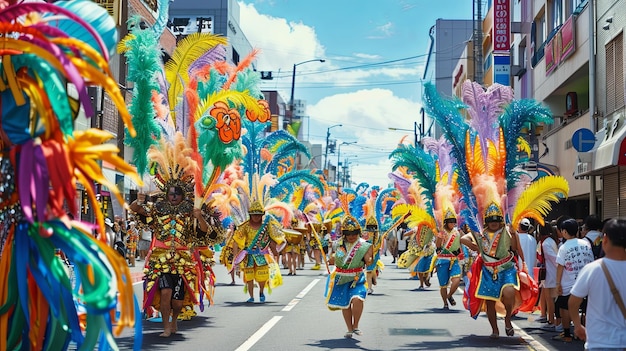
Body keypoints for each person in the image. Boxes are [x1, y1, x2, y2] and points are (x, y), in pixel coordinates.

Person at [130, 179, 224, 337]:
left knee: (178, 302)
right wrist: (139, 200)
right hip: (161, 261)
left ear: (183, 195)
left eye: (177, 193)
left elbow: (205, 230)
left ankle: (174, 321)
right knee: (165, 292)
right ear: (166, 194)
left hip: (183, 262)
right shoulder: (158, 209)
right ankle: (166, 327)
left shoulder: (190, 211)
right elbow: (136, 209)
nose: (174, 196)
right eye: (171, 193)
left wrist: (199, 216)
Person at [461, 202, 523, 339]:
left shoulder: (506, 230)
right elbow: (463, 238)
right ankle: (494, 330)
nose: (493, 223)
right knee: (490, 302)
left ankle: (507, 319)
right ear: (486, 222)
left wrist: (513, 233)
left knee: (509, 291)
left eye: (496, 219)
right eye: (490, 220)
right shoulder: (480, 234)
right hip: (488, 271)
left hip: (506, 269)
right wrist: (474, 246)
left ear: (500, 220)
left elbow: (514, 247)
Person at [569, 218, 626, 349]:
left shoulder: (593, 269)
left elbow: (573, 301)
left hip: (599, 342)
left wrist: (577, 326)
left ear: (605, 239)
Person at [325, 215, 374, 339]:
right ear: (344, 234)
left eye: (354, 233)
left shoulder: (365, 245)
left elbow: (368, 261)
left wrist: (371, 256)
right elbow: (332, 260)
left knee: (358, 299)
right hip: (341, 278)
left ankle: (356, 325)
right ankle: (349, 329)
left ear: (358, 233)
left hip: (357, 278)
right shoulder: (338, 244)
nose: (351, 236)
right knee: (345, 304)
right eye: (348, 233)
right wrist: (330, 259)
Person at [232, 200, 285, 303]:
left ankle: (261, 292)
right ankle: (251, 296)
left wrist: (275, 251)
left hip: (262, 255)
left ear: (262, 215)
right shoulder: (245, 226)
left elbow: (273, 238)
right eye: (254, 215)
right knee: (249, 277)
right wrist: (235, 256)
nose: (256, 217)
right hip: (249, 256)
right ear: (250, 215)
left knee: (262, 277)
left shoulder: (267, 225)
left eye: (258, 215)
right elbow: (236, 240)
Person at [552, 217, 594, 342]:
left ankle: (567, 334)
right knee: (586, 308)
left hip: (568, 283)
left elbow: (560, 267)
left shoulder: (564, 247)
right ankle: (585, 334)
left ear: (564, 232)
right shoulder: (586, 243)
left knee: (565, 307)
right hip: (586, 281)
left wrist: (558, 283)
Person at [435, 210, 462, 310]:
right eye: (450, 221)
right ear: (446, 222)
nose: (452, 223)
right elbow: (438, 246)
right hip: (442, 261)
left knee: (457, 279)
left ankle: (449, 295)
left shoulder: (457, 233)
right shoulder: (442, 232)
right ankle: (445, 303)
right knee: (443, 285)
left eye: (453, 221)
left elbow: (460, 245)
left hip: (454, 260)